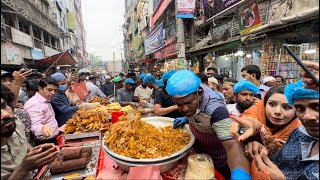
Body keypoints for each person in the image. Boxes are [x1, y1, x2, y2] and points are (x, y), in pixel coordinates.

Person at [167, 70, 250, 180]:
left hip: (219, 160)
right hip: (199, 151)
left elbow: (232, 147)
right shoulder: (190, 88)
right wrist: (187, 119)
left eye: (188, 103)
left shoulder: (216, 111)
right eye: (179, 104)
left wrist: (240, 175)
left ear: (200, 93)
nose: (185, 108)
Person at [245, 80, 319, 180]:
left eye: (317, 107)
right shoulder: (298, 134)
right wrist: (261, 150)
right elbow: (274, 161)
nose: (307, 116)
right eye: (300, 108)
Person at [1, 85, 58, 180]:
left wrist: (35, 152)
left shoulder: (13, 123)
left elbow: (22, 140)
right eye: (49, 90)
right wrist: (23, 168)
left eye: (3, 106)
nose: (6, 114)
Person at [229, 85, 302, 156]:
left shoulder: (301, 132)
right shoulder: (256, 111)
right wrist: (249, 126)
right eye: (272, 104)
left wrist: (270, 148)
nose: (277, 111)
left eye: (286, 107)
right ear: (264, 105)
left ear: (296, 111)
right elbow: (251, 119)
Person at [24, 77, 60, 145]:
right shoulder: (34, 104)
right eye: (49, 90)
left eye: (55, 90)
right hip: (44, 143)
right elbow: (34, 126)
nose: (53, 93)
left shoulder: (46, 100)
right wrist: (42, 128)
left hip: (53, 138)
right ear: (40, 88)